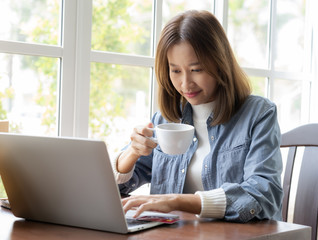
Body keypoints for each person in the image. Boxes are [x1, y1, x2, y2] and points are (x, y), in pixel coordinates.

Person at [112, 10, 283, 223]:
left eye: (196, 69)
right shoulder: (165, 120)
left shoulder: (258, 114)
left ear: (220, 63)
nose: (185, 83)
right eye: (175, 71)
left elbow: (264, 194)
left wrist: (176, 201)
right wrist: (132, 152)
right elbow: (113, 189)